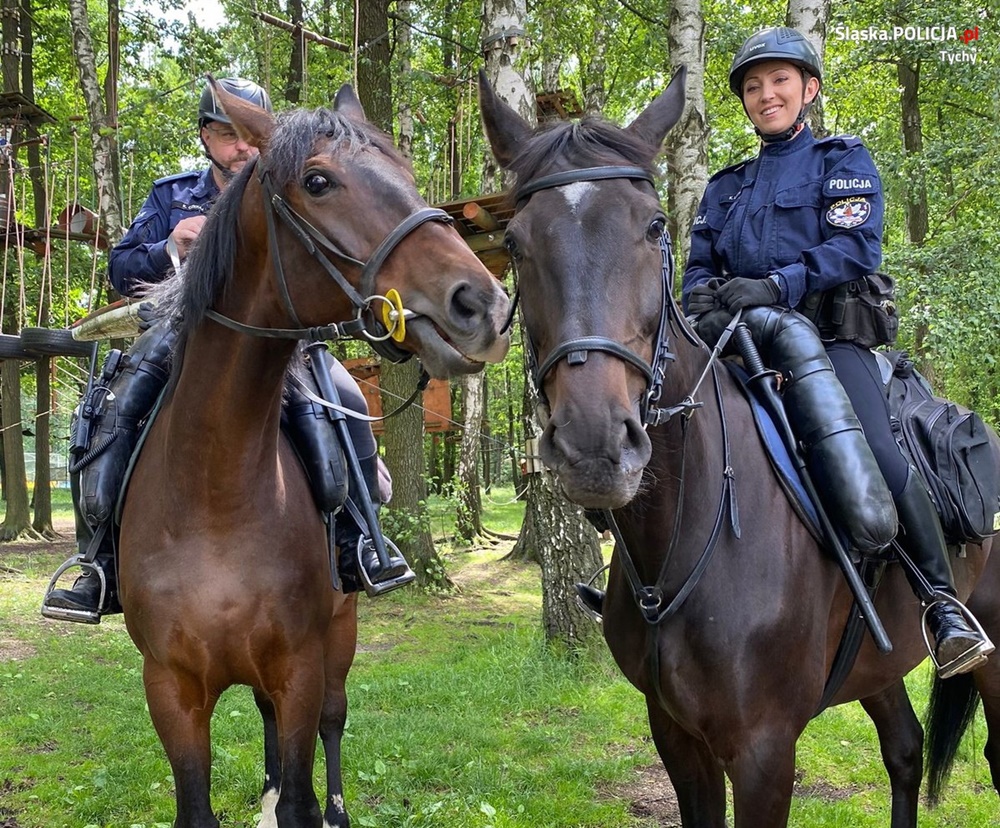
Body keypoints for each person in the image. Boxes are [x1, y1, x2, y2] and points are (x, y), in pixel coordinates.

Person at [579, 27, 993, 679]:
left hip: (830, 343)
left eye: (778, 81)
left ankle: (942, 607)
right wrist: (713, 302)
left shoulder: (842, 160)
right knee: (659, 426)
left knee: (879, 457)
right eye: (752, 85)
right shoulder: (725, 187)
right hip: (738, 348)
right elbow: (697, 273)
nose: (765, 94)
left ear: (809, 89)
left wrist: (778, 284)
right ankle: (638, 590)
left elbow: (854, 250)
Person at [44, 78, 412, 621]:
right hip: (180, 339)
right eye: (227, 135)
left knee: (347, 400)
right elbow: (120, 270)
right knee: (108, 409)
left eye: (248, 137)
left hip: (285, 342)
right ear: (205, 138)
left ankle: (359, 543)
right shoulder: (171, 197)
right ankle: (100, 565)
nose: (242, 147)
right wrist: (170, 245)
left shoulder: (287, 187)